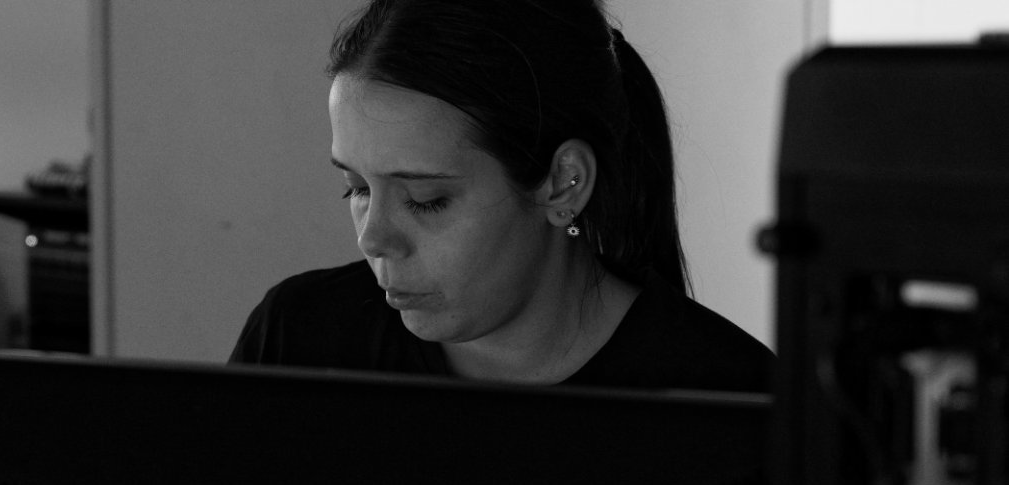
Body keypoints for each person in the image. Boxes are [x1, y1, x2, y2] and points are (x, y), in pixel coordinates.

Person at [228, 0, 774, 392]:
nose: (373, 239)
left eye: (425, 199)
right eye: (357, 188)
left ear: (563, 183)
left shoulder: (735, 399)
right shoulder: (297, 340)